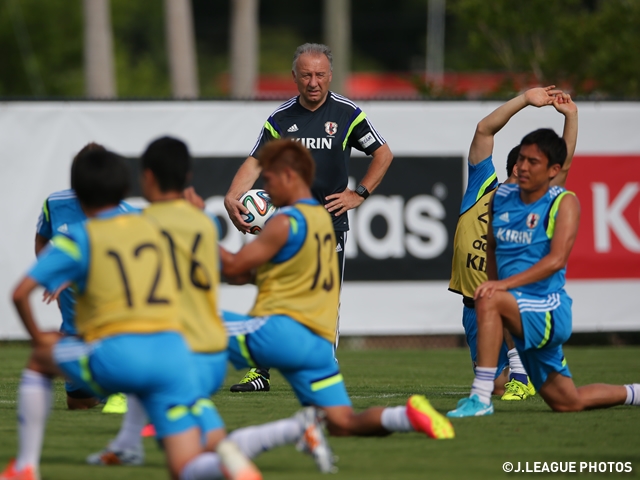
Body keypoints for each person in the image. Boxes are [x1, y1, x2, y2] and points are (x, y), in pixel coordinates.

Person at [1, 149, 260, 480]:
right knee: (186, 465)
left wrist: (40, 338)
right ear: (126, 189)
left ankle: (24, 466)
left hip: (119, 353)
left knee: (41, 358)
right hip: (172, 355)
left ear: (76, 191)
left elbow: (19, 293)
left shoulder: (81, 237)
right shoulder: (151, 228)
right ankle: (226, 465)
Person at [84, 137, 328, 477]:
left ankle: (30, 462)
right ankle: (290, 430)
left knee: (183, 460)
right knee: (213, 440)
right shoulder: (203, 223)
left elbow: (230, 269)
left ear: (147, 177)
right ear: (187, 175)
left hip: (186, 348)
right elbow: (233, 271)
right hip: (215, 350)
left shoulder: (145, 223)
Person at [217, 140, 454, 474]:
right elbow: (264, 275)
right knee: (343, 422)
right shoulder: (321, 221)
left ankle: (169, 424)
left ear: (289, 175)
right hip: (316, 345)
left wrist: (192, 236)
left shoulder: (284, 223)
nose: (264, 189)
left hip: (281, 332)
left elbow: (233, 268)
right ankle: (405, 415)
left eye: (268, 180)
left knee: (187, 328)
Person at [224, 42, 394, 392]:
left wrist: (358, 194)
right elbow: (256, 161)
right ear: (294, 77)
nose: (313, 82)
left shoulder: (347, 113)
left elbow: (383, 154)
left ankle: (323, 366)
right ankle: (260, 373)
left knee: (324, 297)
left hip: (327, 225)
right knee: (272, 293)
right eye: (306, 75)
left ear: (330, 76)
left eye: (319, 75)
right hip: (284, 226)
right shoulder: (280, 119)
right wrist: (232, 195)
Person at [447, 128, 640, 418]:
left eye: (532, 162)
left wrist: (501, 287)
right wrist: (496, 283)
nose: (523, 166)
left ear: (553, 169)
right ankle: (634, 393)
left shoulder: (564, 202)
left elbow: (556, 260)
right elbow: (491, 247)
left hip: (547, 309)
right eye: (521, 159)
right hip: (519, 310)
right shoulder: (501, 197)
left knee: (490, 298)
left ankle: (480, 398)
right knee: (567, 401)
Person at [449, 86, 579, 401]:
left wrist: (571, 117)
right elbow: (483, 130)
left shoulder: (539, 200)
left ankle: (521, 369)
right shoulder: (483, 189)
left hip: (511, 299)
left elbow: (566, 162)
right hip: (472, 304)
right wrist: (523, 100)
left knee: (502, 293)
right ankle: (522, 371)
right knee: (492, 385)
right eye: (522, 164)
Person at [34, 142, 134, 413]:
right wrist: (52, 275)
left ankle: (126, 394)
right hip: (74, 329)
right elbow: (42, 239)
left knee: (38, 362)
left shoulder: (125, 215)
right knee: (77, 403)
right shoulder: (55, 204)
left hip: (115, 327)